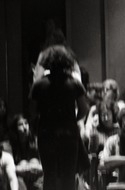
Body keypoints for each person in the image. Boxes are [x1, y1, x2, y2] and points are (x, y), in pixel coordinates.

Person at [30, 45, 89, 190]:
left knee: (49, 175)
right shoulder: (74, 83)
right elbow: (84, 108)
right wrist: (72, 121)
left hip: (46, 133)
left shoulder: (38, 85)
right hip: (69, 134)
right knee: (68, 176)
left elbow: (32, 111)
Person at [9, 114, 43, 190]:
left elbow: (44, 165)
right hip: (20, 176)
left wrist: (32, 167)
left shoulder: (37, 141)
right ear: (15, 129)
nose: (25, 127)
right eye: (20, 124)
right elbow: (10, 167)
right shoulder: (10, 145)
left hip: (36, 174)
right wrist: (26, 169)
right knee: (23, 163)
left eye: (26, 123)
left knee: (34, 161)